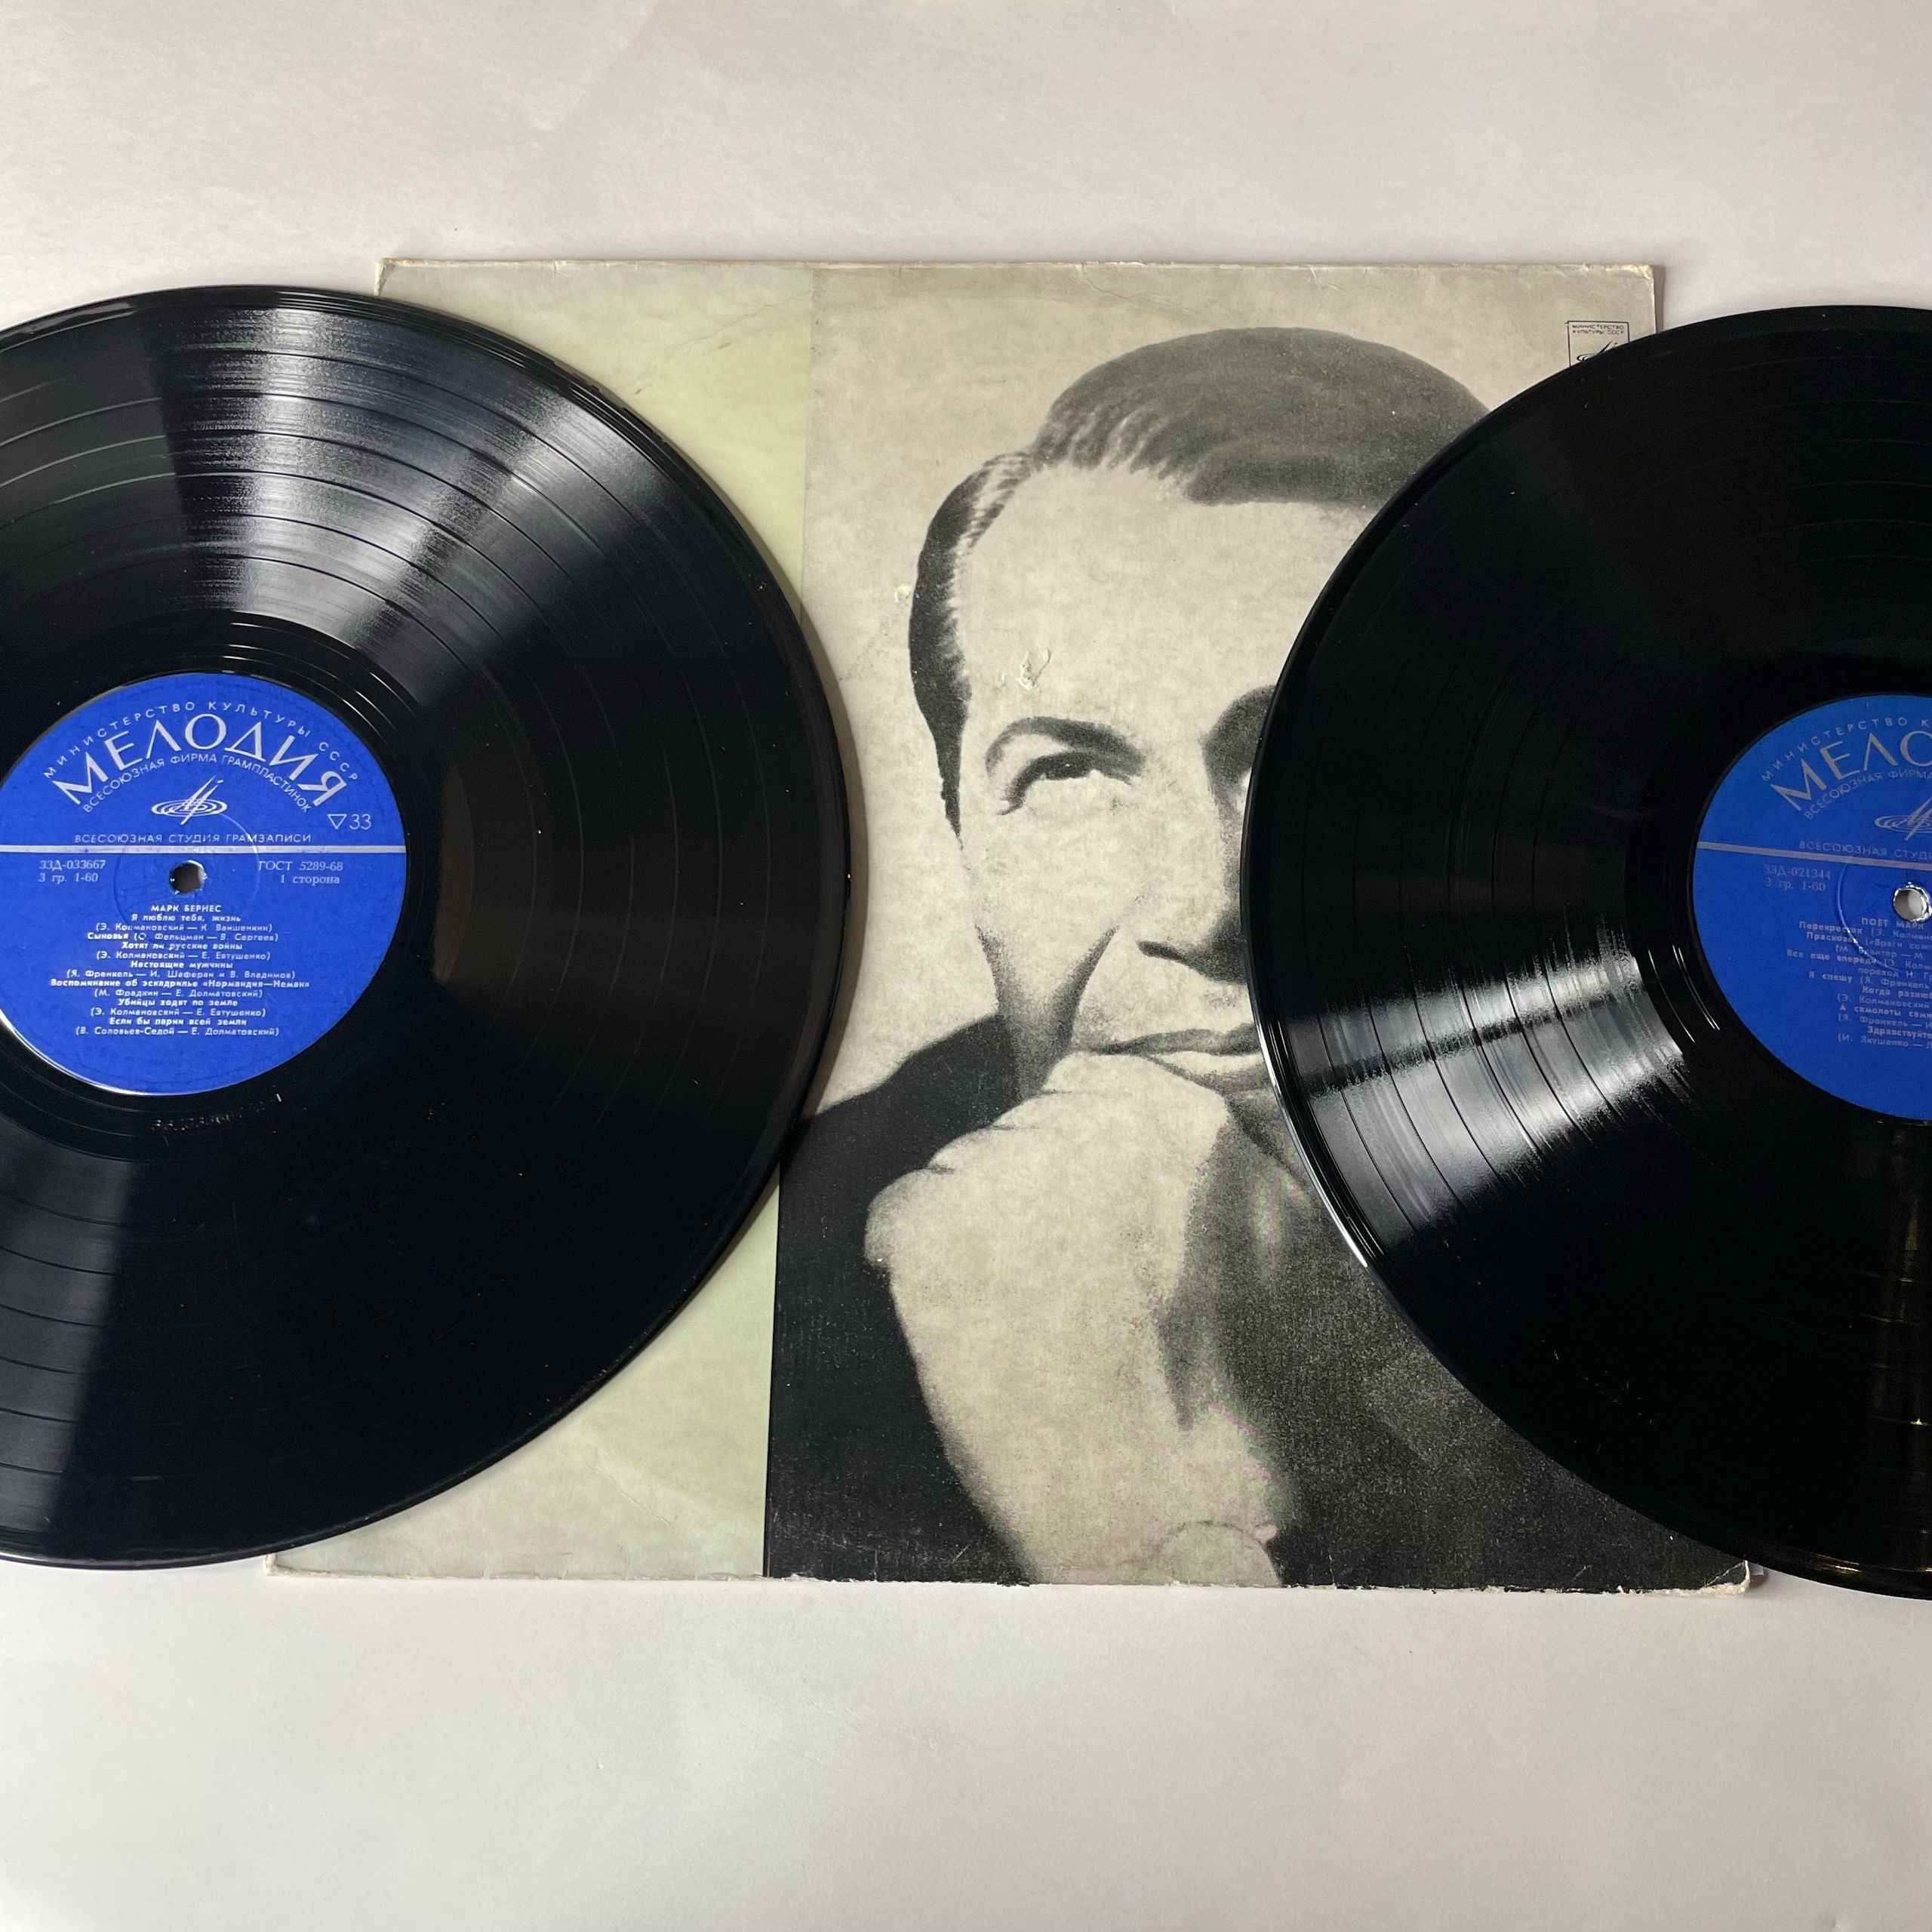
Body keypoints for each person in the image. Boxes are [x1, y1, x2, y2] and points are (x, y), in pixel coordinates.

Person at [766, 327, 1724, 1589]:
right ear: (964, 837)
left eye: (1330, 761)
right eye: (1068, 774)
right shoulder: (791, 1289)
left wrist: (1143, 1511)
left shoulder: (1756, 1224)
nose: (1204, 905)